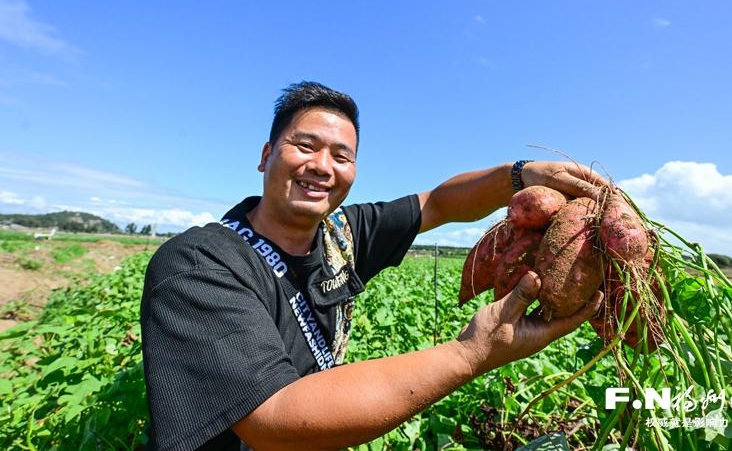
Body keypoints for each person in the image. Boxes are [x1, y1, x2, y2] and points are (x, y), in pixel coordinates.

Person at [140, 81, 606, 451]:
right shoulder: (199, 263)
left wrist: (518, 175)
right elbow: (274, 419)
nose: (323, 166)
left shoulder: (341, 234)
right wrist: (471, 353)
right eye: (305, 146)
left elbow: (439, 203)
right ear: (266, 156)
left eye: (341, 156)